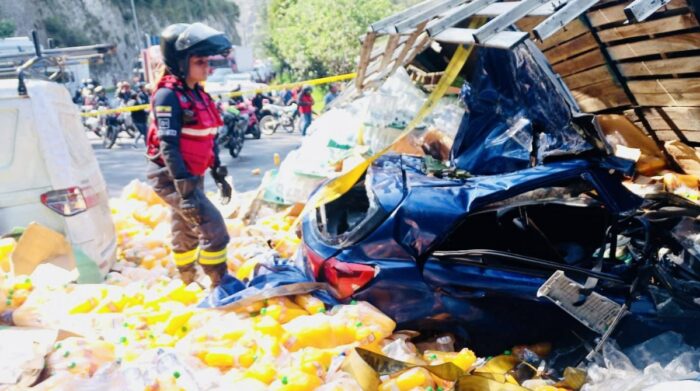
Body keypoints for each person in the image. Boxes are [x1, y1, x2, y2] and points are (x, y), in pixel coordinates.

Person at [145, 23, 233, 287]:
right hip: (171, 175)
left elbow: (207, 135)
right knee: (213, 228)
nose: (207, 67)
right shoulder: (167, 96)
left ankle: (187, 280)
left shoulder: (196, 93)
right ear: (181, 62)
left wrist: (217, 172)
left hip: (191, 173)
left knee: (185, 228)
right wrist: (184, 191)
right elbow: (168, 146)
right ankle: (221, 285)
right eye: (200, 61)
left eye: (208, 61)